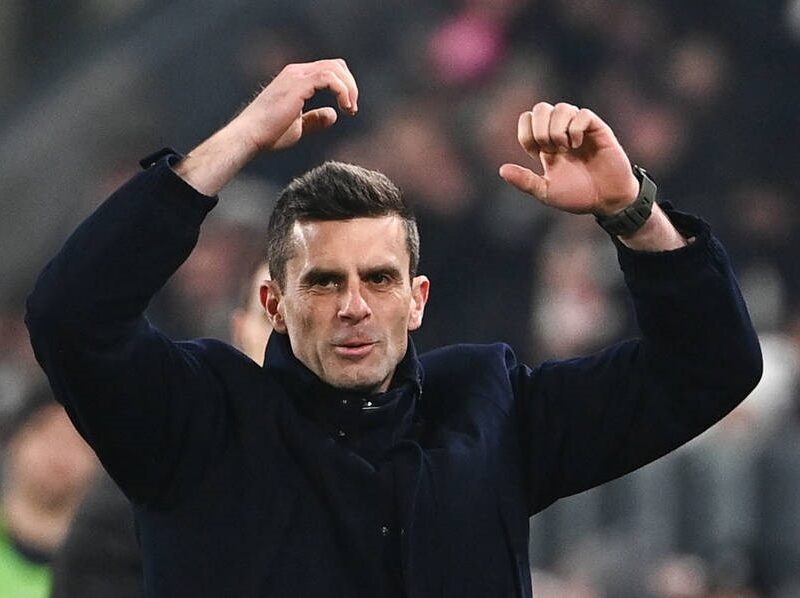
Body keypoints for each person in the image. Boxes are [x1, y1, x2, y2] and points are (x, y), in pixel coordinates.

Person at [25, 59, 761, 597]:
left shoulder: (489, 408)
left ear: (417, 300)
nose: (354, 305)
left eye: (378, 279)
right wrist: (240, 139)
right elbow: (70, 313)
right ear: (274, 303)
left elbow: (712, 367)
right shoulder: (196, 422)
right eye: (323, 282)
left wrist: (633, 212)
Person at [48, 259, 274, 598]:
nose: (290, 337)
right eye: (271, 315)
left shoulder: (358, 470)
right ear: (240, 330)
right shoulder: (157, 465)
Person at [0, 383, 97, 598]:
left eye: (78, 440)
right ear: (15, 440)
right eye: (45, 431)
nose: (60, 450)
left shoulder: (110, 563)